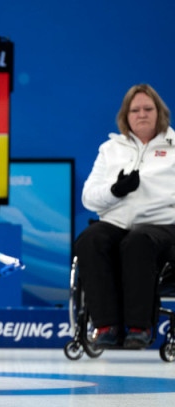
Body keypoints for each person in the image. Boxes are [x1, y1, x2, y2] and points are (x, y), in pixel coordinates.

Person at [77, 84, 175, 349]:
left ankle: (139, 327)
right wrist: (115, 191)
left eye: (147, 108)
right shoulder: (110, 149)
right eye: (135, 110)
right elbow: (89, 197)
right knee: (90, 239)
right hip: (116, 221)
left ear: (159, 113)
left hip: (162, 225)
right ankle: (106, 326)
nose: (141, 114)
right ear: (126, 115)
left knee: (138, 241)